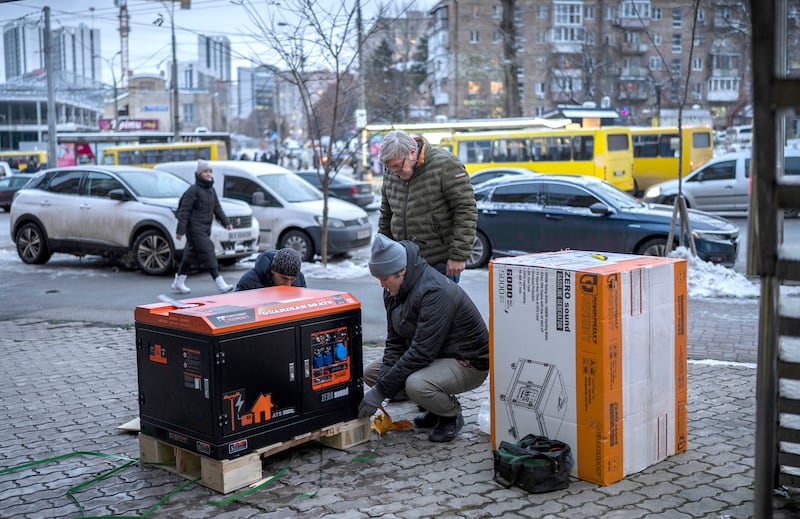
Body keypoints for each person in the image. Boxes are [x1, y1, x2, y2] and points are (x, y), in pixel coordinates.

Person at [358, 234, 489, 443]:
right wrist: (381, 385)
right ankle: (433, 407)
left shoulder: (434, 292)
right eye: (378, 279)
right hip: (435, 355)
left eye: (384, 279)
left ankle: (451, 415)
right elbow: (395, 342)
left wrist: (381, 392)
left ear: (402, 271)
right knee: (371, 374)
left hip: (467, 362)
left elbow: (421, 353)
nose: (382, 284)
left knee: (416, 384)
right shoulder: (393, 290)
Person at [378, 130, 477, 283]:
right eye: (389, 167)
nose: (394, 172)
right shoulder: (391, 170)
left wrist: (458, 255)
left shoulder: (445, 165)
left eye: (397, 166)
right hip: (403, 261)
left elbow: (465, 210)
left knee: (438, 307)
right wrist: (383, 254)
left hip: (439, 263)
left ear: (412, 153)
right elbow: (386, 215)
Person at [171, 159, 235, 294]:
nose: (208, 174)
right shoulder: (193, 190)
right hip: (194, 228)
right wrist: (180, 231)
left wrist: (226, 222)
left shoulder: (211, 190)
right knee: (208, 250)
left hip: (205, 228)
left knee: (189, 254)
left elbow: (217, 208)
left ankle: (179, 281)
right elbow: (184, 211)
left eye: (210, 171)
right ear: (199, 173)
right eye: (205, 171)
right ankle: (220, 282)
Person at [235, 248, 307, 291]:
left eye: (292, 279)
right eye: (284, 278)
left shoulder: (299, 279)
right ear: (272, 270)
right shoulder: (249, 282)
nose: (288, 284)